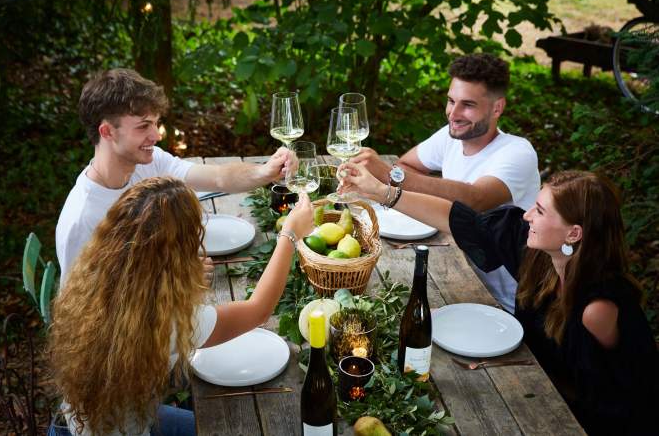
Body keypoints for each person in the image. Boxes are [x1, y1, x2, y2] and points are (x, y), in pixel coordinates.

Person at [339, 164, 658, 435]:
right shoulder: (538, 254)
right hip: (530, 388)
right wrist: (382, 192)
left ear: (573, 234)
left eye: (541, 211)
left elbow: (611, 396)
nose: (528, 216)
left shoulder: (598, 307)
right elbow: (460, 219)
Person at [48, 177, 314, 436]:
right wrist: (289, 234)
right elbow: (258, 310)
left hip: (81, 423)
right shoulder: (163, 320)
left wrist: (178, 279)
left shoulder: (93, 276)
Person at [56, 68, 291, 281]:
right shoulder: (83, 219)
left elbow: (219, 177)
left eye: (155, 124)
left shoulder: (150, 161)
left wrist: (266, 171)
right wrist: (174, 280)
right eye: (143, 126)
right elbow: (84, 313)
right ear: (107, 132)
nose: (156, 136)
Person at [350, 53, 539, 313]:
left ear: (497, 108)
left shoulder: (518, 152)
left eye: (468, 105)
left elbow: (474, 200)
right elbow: (407, 164)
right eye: (451, 101)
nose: (454, 113)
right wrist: (402, 180)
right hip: (454, 271)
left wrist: (389, 176)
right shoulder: (452, 136)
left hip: (502, 302)